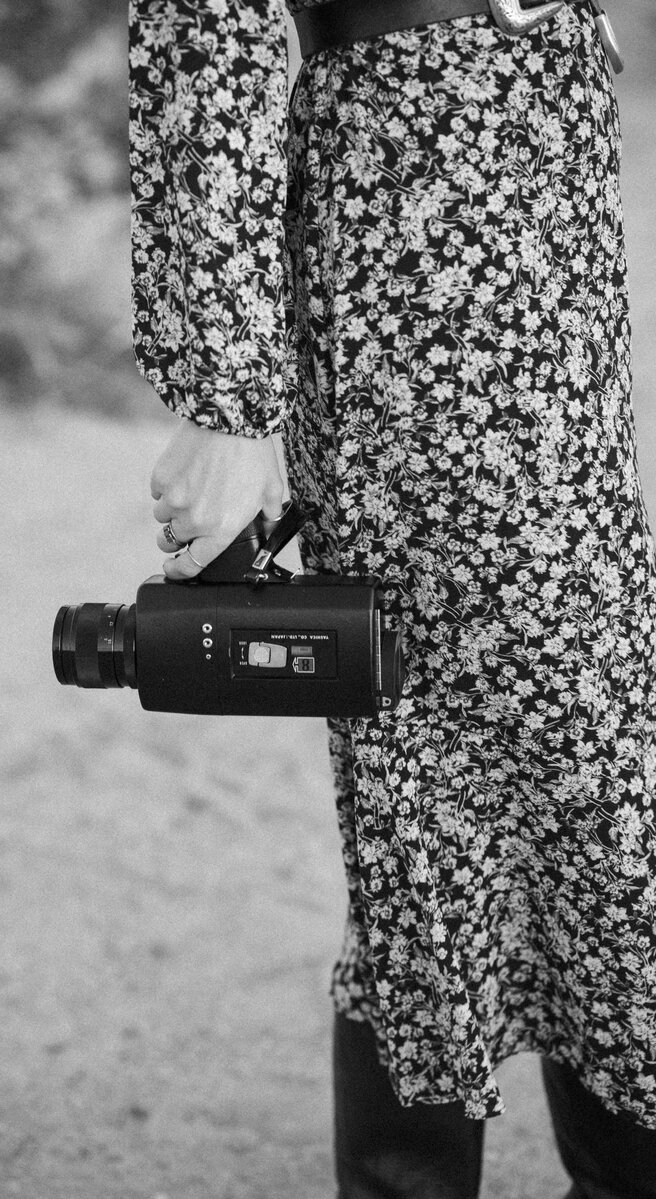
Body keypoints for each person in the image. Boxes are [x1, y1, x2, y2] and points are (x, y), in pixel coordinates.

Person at [128, 1, 656, 1194]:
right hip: (419, 190)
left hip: (536, 152)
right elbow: (201, 28)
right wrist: (226, 397)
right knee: (453, 778)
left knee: (592, 760)